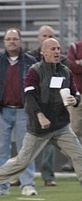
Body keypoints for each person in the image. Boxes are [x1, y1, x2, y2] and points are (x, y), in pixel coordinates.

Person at [0, 38, 82, 201]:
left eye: (58, 48)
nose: (57, 51)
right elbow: (30, 97)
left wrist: (74, 100)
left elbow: (75, 92)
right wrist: (40, 115)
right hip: (39, 129)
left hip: (61, 126)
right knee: (22, 162)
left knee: (79, 155)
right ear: (44, 52)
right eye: (53, 49)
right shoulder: (34, 71)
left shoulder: (65, 71)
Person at [0, 28, 37, 196]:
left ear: (20, 41)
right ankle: (2, 185)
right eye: (9, 39)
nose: (12, 41)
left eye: (15, 38)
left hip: (24, 111)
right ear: (4, 42)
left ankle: (27, 183)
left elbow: (38, 85)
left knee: (26, 149)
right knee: (1, 150)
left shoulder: (31, 62)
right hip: (2, 111)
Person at [27, 25, 69, 186]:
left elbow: (69, 82)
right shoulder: (30, 58)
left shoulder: (63, 62)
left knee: (50, 144)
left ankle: (48, 175)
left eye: (50, 36)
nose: (46, 38)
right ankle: (23, 176)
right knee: (26, 146)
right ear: (39, 39)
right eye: (44, 35)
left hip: (54, 109)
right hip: (33, 107)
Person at [64, 39, 82, 173]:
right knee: (74, 130)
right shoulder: (75, 47)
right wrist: (77, 64)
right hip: (77, 95)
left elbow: (77, 66)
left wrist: (79, 63)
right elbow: (71, 65)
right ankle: (73, 163)